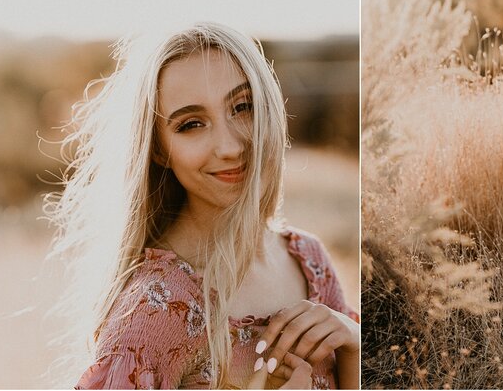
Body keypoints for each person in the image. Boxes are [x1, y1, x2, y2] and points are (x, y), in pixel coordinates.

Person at [48, 23, 360, 390]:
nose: (229, 147)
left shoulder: (310, 261)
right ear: (161, 150)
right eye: (192, 124)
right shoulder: (156, 309)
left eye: (243, 107)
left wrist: (353, 348)